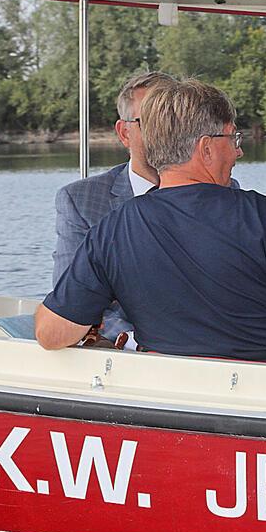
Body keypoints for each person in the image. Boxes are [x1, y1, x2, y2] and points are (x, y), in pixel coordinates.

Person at [36, 79, 266, 362]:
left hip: (181, 401)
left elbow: (51, 333)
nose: (238, 152)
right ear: (206, 148)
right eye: (233, 139)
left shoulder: (113, 230)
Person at [47, 69, 176, 345]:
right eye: (153, 122)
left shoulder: (221, 193)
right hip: (125, 353)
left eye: (173, 122)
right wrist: (134, 341)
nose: (166, 134)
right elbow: (71, 300)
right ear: (124, 132)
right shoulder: (80, 201)